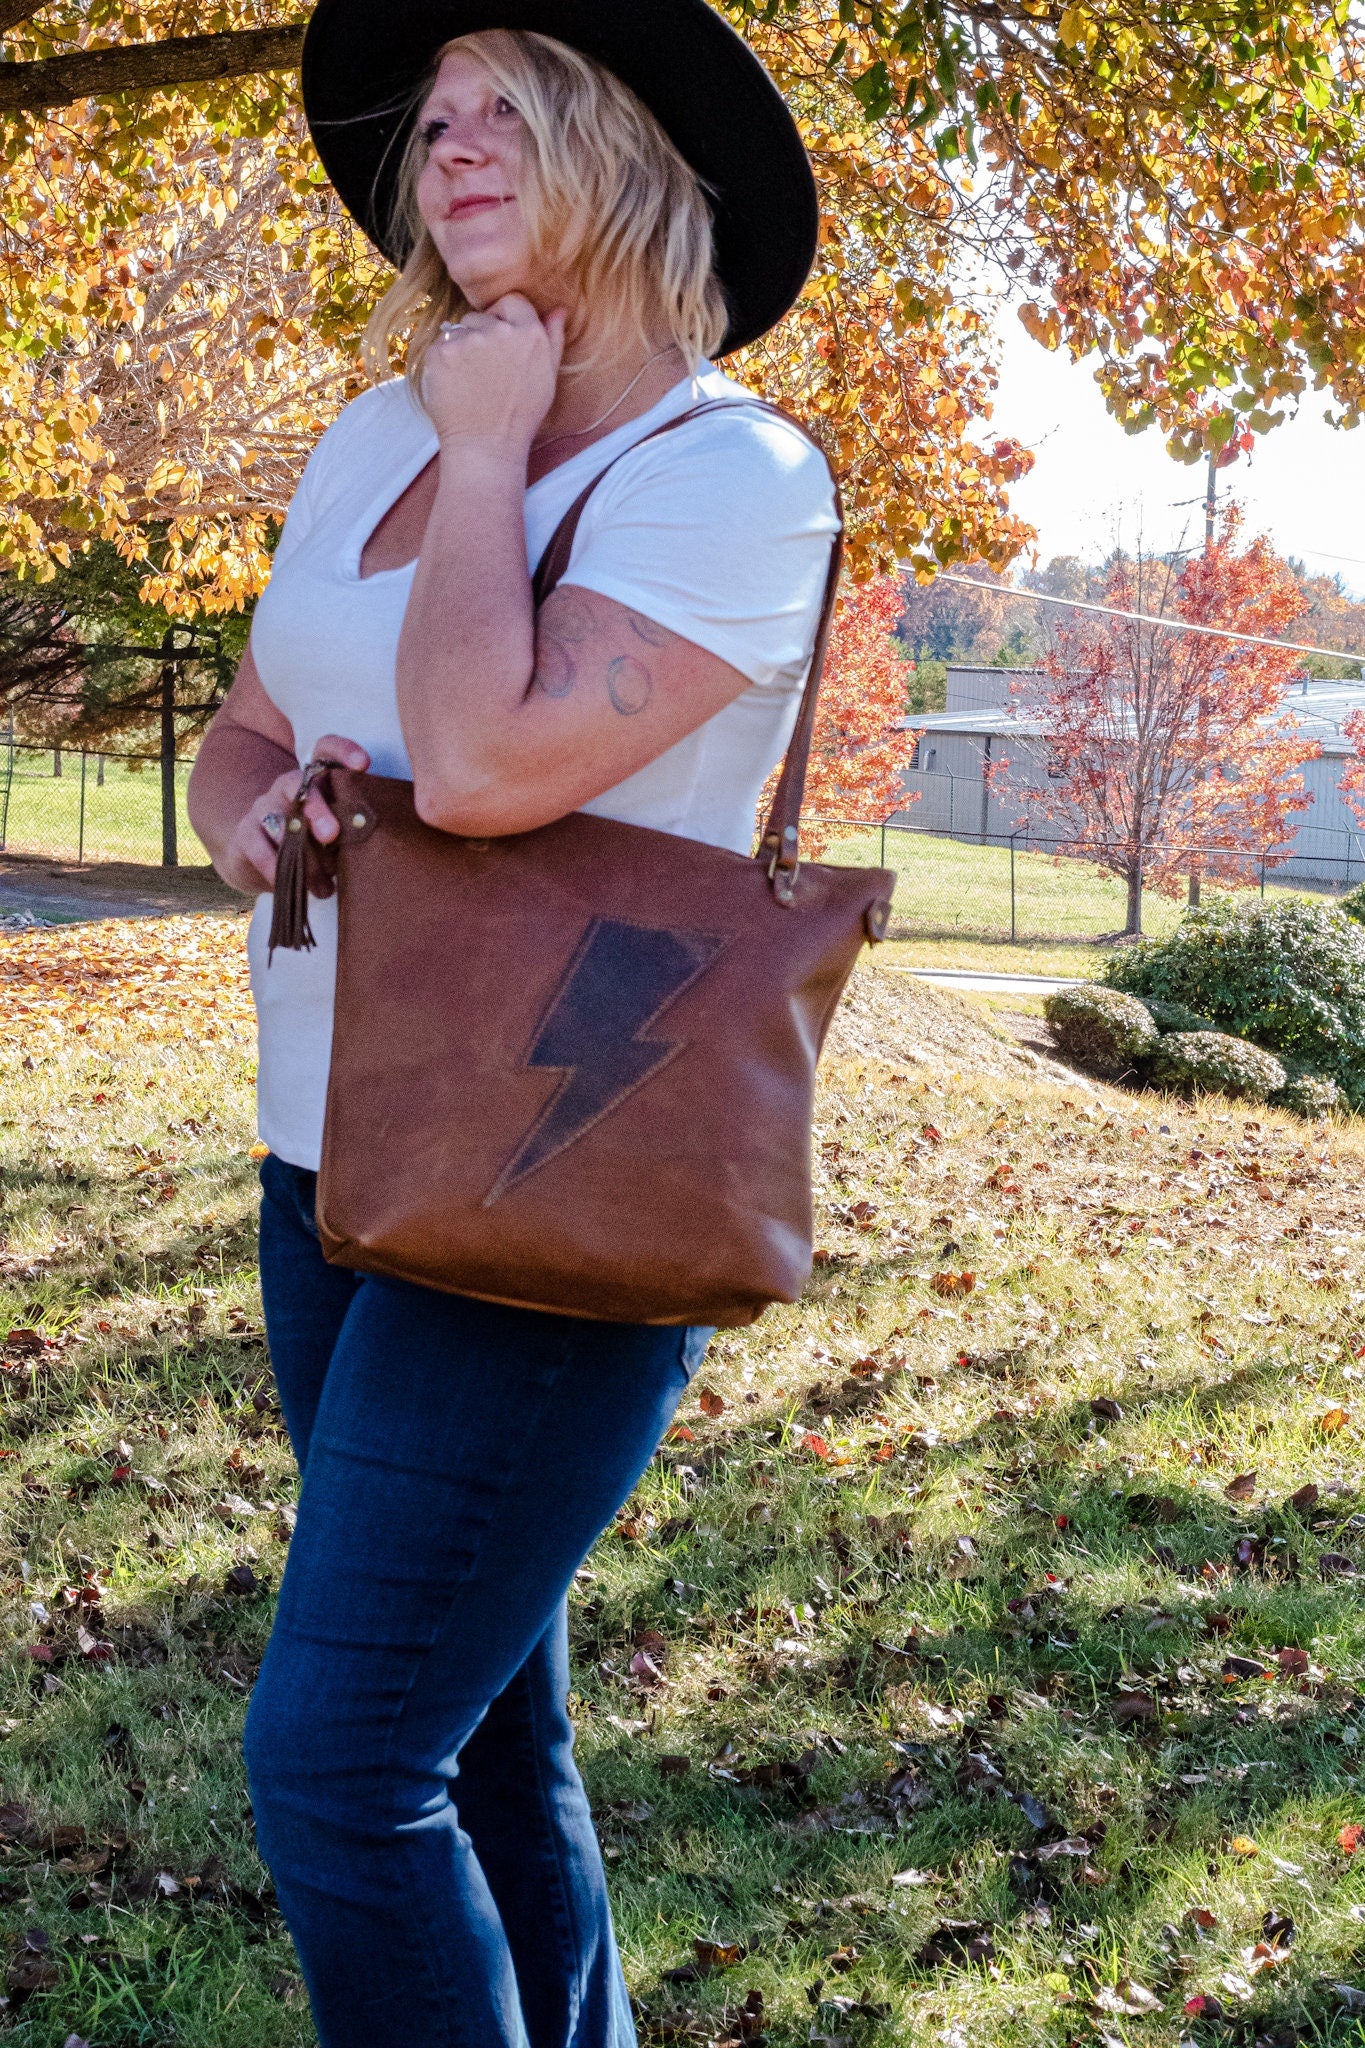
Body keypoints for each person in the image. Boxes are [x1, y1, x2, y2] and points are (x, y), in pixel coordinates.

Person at [187, 2, 838, 2041]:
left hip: (560, 1180)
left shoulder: (727, 475)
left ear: (628, 153)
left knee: (339, 1763)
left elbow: (475, 767)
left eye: (509, 111)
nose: (447, 146)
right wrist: (251, 824)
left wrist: (488, 442)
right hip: (330, 1155)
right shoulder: (368, 437)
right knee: (479, 1737)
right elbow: (248, 729)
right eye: (438, 118)